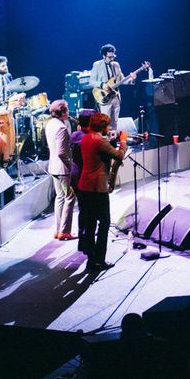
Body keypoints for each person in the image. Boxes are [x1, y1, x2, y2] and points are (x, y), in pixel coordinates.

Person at [77, 112, 127, 270]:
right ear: (102, 126)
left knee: (90, 223)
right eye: (108, 125)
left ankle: (91, 259)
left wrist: (111, 140)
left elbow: (100, 152)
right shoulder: (100, 141)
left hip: (85, 186)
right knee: (104, 223)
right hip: (97, 187)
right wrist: (123, 141)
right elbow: (119, 155)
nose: (110, 127)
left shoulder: (86, 137)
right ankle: (99, 259)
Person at [46, 99, 76, 240]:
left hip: (53, 166)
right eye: (67, 110)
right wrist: (71, 165)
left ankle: (58, 230)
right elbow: (62, 152)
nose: (69, 112)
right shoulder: (62, 128)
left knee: (60, 198)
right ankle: (65, 231)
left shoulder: (50, 124)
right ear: (62, 112)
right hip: (63, 168)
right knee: (69, 197)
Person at [89, 44, 136, 129]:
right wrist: (102, 85)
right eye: (109, 57)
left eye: (113, 56)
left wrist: (132, 79)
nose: (112, 59)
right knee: (105, 123)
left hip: (116, 97)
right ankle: (105, 141)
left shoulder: (116, 65)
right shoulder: (97, 65)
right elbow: (91, 82)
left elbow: (122, 80)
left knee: (115, 123)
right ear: (104, 56)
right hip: (105, 98)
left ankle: (113, 141)